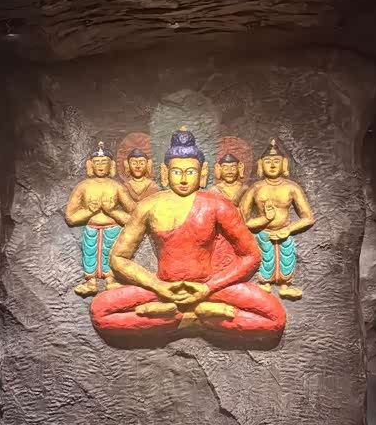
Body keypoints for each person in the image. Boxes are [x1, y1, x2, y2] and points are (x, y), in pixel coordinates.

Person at [90, 128, 285, 339]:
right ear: (165, 172)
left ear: (203, 173)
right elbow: (118, 258)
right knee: (100, 312)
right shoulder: (149, 206)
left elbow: (251, 255)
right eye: (177, 172)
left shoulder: (218, 206)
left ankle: (183, 315)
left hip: (210, 287)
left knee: (275, 319)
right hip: (164, 287)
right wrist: (157, 286)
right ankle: (189, 316)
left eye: (190, 172)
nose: (183, 179)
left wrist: (208, 287)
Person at [239, 138, 314, 300]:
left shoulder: (291, 188)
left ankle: (285, 286)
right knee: (266, 258)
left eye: (276, 161)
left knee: (286, 259)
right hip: (263, 233)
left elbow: (308, 218)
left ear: (284, 164)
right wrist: (265, 220)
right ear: (261, 165)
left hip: (285, 233)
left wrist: (288, 230)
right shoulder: (256, 188)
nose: (272, 165)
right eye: (268, 162)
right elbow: (243, 219)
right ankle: (264, 283)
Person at [64, 141, 134, 297]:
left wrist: (113, 211)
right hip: (92, 228)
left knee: (111, 254)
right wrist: (89, 211)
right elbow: (70, 217)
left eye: (104, 162)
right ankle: (91, 282)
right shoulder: (83, 186)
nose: (101, 166)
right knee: (90, 253)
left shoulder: (117, 187)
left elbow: (134, 217)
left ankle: (111, 280)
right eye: (97, 162)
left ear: (111, 165)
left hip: (113, 229)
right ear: (91, 165)